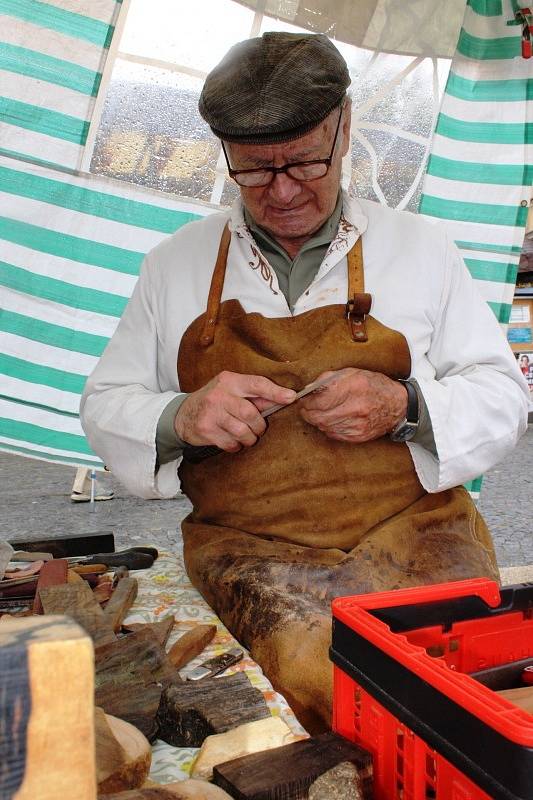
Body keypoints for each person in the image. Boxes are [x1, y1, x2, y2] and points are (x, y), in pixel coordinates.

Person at [81, 33, 529, 730]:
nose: (283, 191)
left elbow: (502, 395)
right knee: (329, 685)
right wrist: (180, 417)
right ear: (224, 154)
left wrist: (405, 405)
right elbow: (106, 403)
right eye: (255, 172)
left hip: (418, 530)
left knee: (466, 684)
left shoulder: (421, 249)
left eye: (305, 162)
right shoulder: (174, 266)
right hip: (256, 551)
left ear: (344, 126)